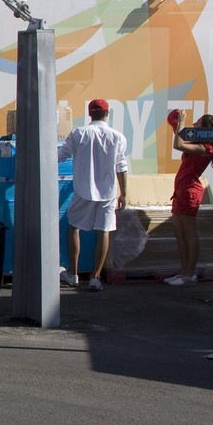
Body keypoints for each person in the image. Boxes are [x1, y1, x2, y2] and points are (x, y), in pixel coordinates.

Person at [58, 99, 129, 292]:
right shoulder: (117, 136)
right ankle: (96, 278)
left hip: (83, 189)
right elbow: (121, 167)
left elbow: (60, 155)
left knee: (74, 228)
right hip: (108, 192)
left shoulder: (79, 133)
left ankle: (73, 274)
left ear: (90, 114)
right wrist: (124, 193)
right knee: (103, 232)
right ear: (107, 114)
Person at [165, 112, 213, 286]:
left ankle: (189, 274)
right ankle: (183, 271)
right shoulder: (198, 143)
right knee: (179, 233)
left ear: (206, 129)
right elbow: (181, 140)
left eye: (198, 123)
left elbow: (178, 145)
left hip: (190, 191)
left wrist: (182, 122)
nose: (194, 124)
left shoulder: (206, 148)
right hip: (180, 189)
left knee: (190, 233)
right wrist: (176, 125)